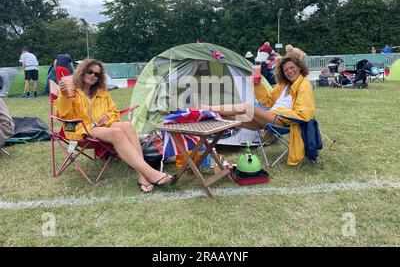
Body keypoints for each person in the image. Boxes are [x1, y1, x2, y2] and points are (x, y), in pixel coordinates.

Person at [55, 59, 172, 193]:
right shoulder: (71, 91)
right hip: (81, 128)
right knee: (116, 133)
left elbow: (114, 113)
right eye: (90, 71)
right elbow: (64, 114)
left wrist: (106, 118)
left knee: (127, 125)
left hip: (102, 127)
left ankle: (141, 176)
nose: (93, 75)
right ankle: (150, 173)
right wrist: (64, 96)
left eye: (97, 74)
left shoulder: (101, 92)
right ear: (82, 71)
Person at [201, 54, 316, 166]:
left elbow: (304, 113)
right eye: (286, 70)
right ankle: (205, 119)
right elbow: (268, 101)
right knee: (228, 118)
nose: (289, 71)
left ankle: (207, 108)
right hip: (269, 118)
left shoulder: (304, 84)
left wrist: (279, 111)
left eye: (292, 68)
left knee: (247, 107)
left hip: (282, 121)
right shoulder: (284, 85)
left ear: (299, 67)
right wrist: (258, 84)